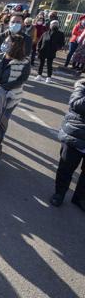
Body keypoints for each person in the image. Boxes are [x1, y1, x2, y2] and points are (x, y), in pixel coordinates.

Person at [0, 34, 31, 162]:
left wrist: (3, 87)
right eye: (5, 41)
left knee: (1, 121)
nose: (4, 44)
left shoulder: (24, 62)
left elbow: (21, 80)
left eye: (8, 42)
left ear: (16, 45)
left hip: (10, 96)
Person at [53, 79, 85, 211]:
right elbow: (76, 105)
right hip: (76, 134)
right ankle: (59, 193)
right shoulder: (81, 85)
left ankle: (80, 198)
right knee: (66, 167)